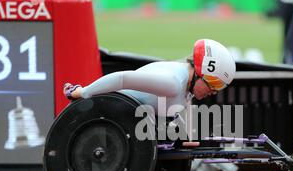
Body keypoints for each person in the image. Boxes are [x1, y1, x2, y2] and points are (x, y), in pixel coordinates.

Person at [64, 39, 236, 119]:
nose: (213, 91)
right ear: (199, 73)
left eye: (219, 87)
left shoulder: (187, 89)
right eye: (213, 84)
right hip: (102, 116)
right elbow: (122, 78)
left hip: (126, 120)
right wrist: (83, 91)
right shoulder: (173, 84)